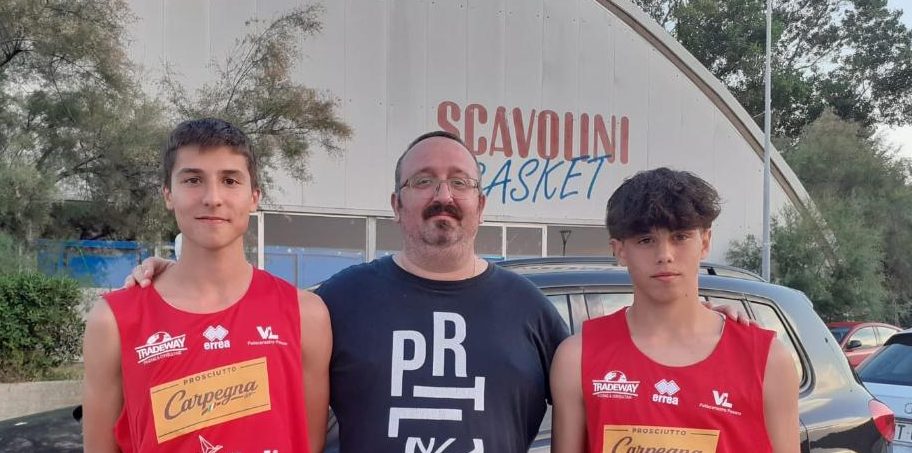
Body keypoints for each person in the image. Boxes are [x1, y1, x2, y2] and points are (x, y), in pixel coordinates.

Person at [124, 132, 748, 452]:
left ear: (481, 203)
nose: (442, 195)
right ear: (396, 204)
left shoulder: (531, 311)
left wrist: (699, 323)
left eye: (459, 182)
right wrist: (168, 279)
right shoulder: (333, 303)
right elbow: (233, 344)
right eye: (422, 181)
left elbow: (623, 391)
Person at [82, 118, 332, 452]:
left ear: (254, 197)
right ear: (168, 194)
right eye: (193, 180)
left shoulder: (306, 315)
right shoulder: (112, 321)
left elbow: (309, 443)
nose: (213, 198)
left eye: (230, 180)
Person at [549, 168, 800, 453]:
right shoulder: (577, 357)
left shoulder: (769, 361)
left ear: (705, 242)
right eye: (646, 240)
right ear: (619, 250)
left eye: (680, 237)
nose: (664, 255)